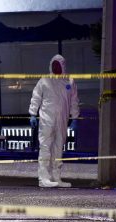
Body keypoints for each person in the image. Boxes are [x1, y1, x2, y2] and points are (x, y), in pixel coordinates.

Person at [29, 54, 80, 188]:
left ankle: (56, 177)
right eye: (54, 65)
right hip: (47, 118)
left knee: (58, 148)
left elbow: (74, 101)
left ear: (63, 66)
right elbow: (36, 97)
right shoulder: (45, 80)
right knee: (45, 147)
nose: (56, 67)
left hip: (62, 120)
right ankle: (43, 178)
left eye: (58, 65)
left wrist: (75, 118)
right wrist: (33, 114)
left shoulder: (69, 81)